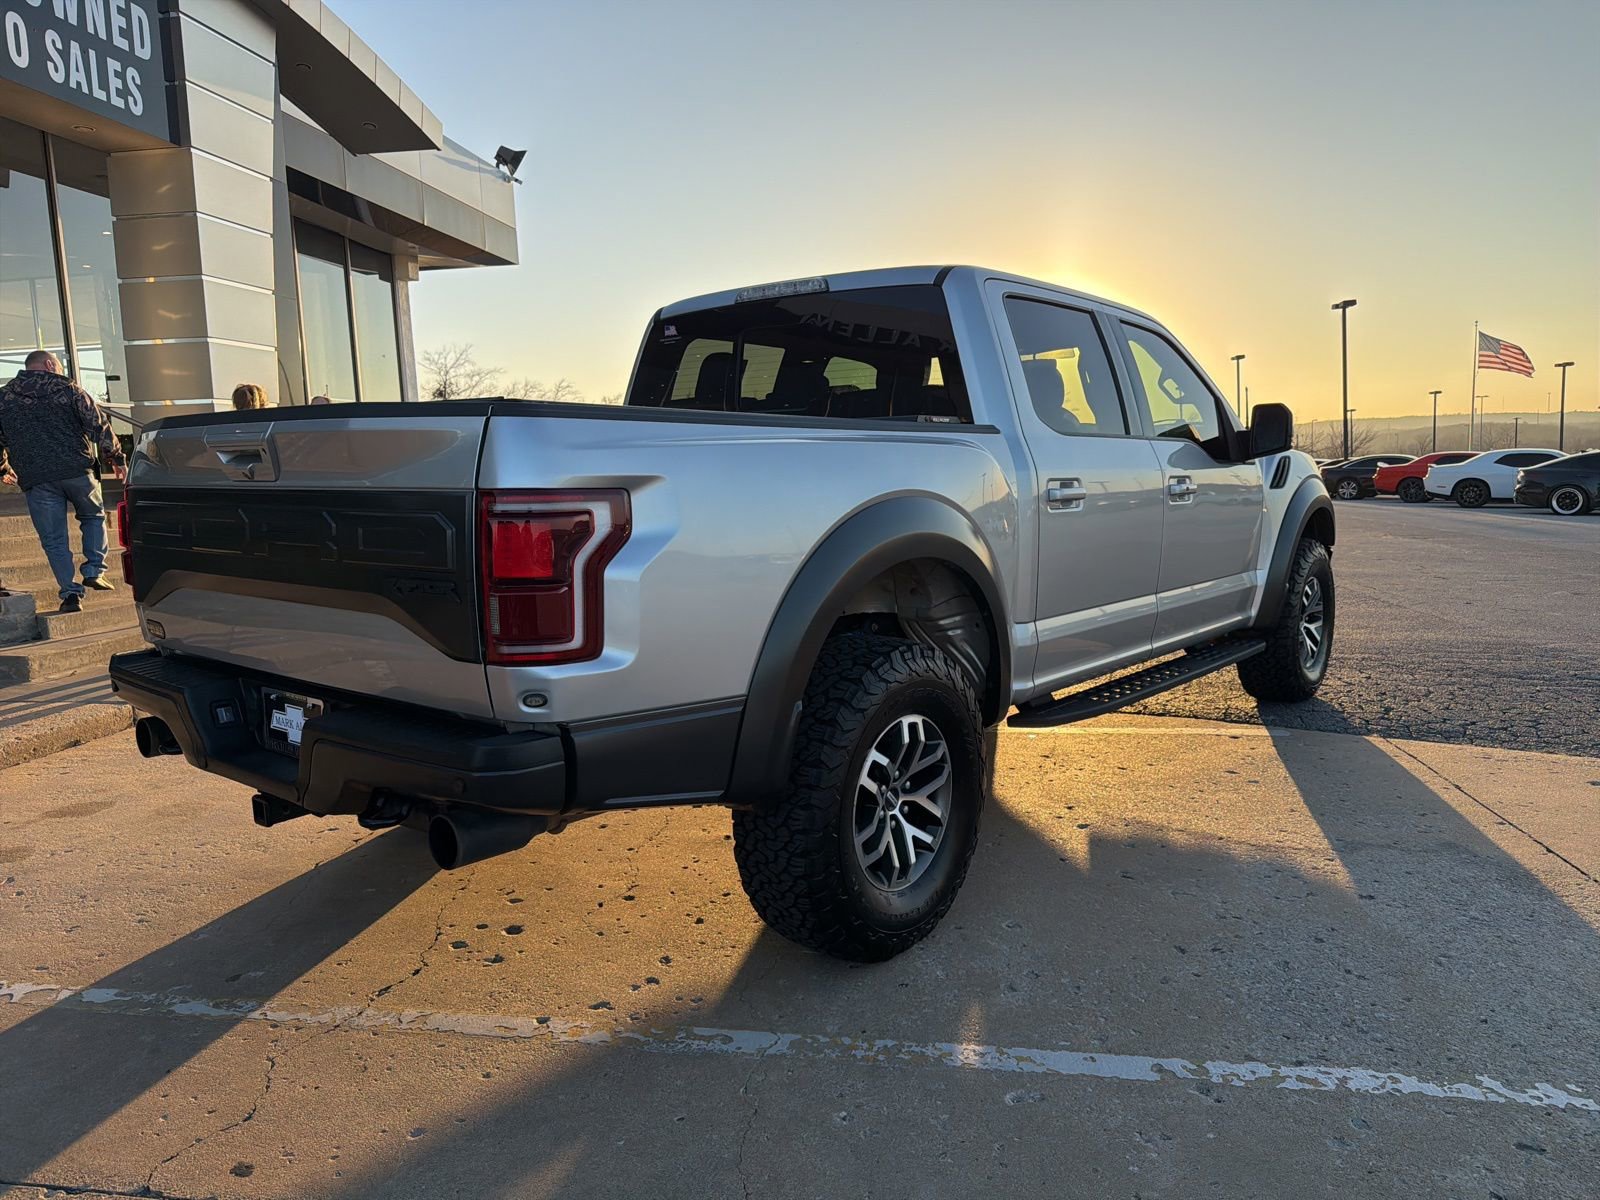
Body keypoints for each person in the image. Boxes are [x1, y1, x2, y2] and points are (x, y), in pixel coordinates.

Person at [0, 350, 127, 613]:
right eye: (57, 366)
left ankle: (70, 594)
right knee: (93, 517)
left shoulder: (4, 397)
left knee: (53, 540)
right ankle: (94, 569)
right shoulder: (69, 390)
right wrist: (115, 458)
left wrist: (3, 469)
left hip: (36, 478)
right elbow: (98, 425)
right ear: (49, 365)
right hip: (77, 470)